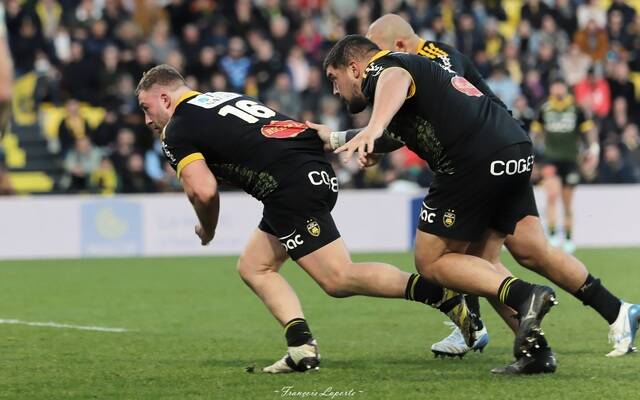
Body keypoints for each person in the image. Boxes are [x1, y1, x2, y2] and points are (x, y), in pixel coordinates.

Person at [319, 34, 640, 374]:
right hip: (512, 145)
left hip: (471, 159)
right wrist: (345, 138)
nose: (335, 91)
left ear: (354, 67)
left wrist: (373, 125)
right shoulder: (423, 66)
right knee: (485, 262)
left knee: (431, 261)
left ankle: (524, 296)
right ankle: (537, 350)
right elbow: (398, 131)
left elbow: (393, 80)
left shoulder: (386, 67)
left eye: (334, 79)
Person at [136, 64, 480, 374]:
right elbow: (276, 131)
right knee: (254, 266)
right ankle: (301, 347)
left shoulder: (178, 128)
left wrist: (207, 229)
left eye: (146, 109)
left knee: (338, 278)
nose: (148, 121)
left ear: (165, 98)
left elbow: (203, 192)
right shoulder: (221, 99)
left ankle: (440, 293)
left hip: (290, 186)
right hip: (306, 173)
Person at [531, 79, 598, 253]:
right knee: (551, 196)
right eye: (554, 85)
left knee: (567, 201)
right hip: (550, 159)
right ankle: (552, 235)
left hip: (571, 159)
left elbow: (588, 129)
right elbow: (536, 132)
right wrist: (532, 153)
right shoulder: (544, 108)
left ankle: (568, 237)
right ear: (551, 88)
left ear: (565, 88)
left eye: (559, 85)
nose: (557, 88)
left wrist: (593, 148)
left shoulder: (576, 108)